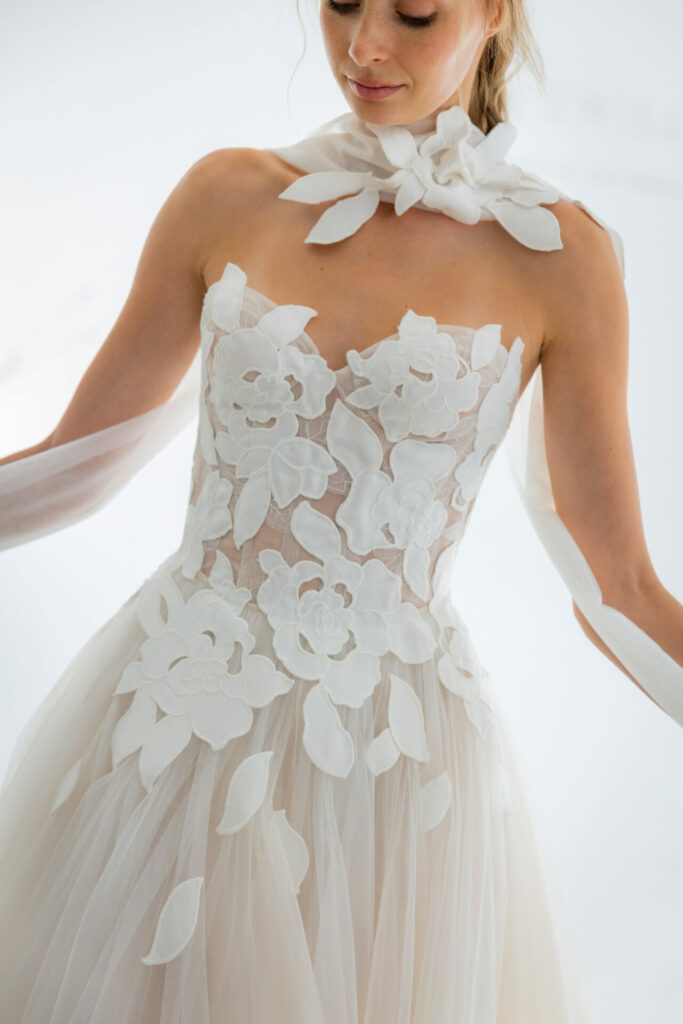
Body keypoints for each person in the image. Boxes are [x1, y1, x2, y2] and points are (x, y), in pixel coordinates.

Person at [0, 0, 681, 1021]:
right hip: (183, 708)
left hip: (389, 763)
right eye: (340, 2)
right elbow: (75, 466)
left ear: (493, 11)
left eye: (413, 13)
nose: (363, 46)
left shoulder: (561, 259)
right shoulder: (226, 194)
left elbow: (617, 588)